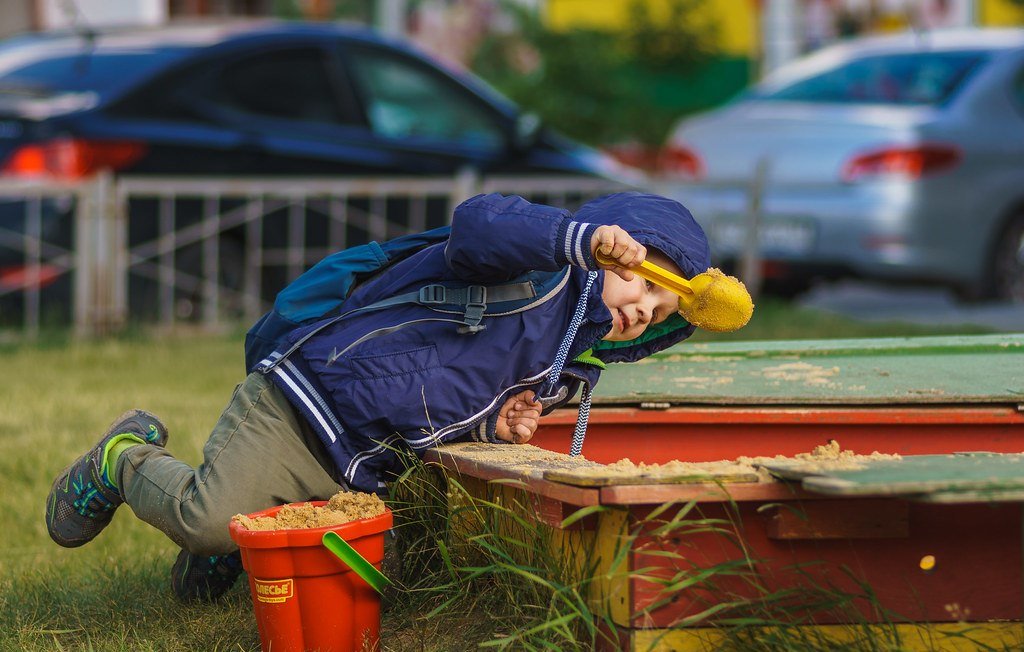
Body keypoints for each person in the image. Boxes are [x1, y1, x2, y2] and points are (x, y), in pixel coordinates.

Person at [44, 191, 711, 601]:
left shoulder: (574, 360)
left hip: (367, 463)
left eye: (661, 311)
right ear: (618, 243)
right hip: (306, 403)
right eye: (647, 281)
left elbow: (468, 385)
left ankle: (233, 551)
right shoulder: (536, 263)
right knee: (201, 517)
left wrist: (502, 420)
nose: (644, 309)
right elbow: (478, 223)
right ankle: (124, 458)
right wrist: (578, 240)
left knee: (376, 588)